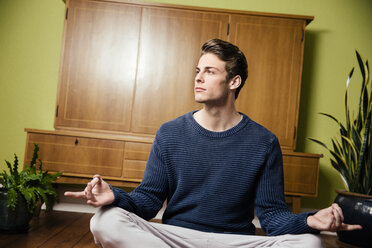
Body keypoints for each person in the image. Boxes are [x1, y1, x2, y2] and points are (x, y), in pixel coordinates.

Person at [65, 39, 362, 248]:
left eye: (209, 71)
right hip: (176, 237)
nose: (198, 78)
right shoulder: (170, 133)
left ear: (234, 82)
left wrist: (311, 220)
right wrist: (113, 196)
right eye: (197, 70)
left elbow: (272, 218)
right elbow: (147, 201)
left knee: (309, 243)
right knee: (105, 221)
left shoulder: (264, 142)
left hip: (235, 240)